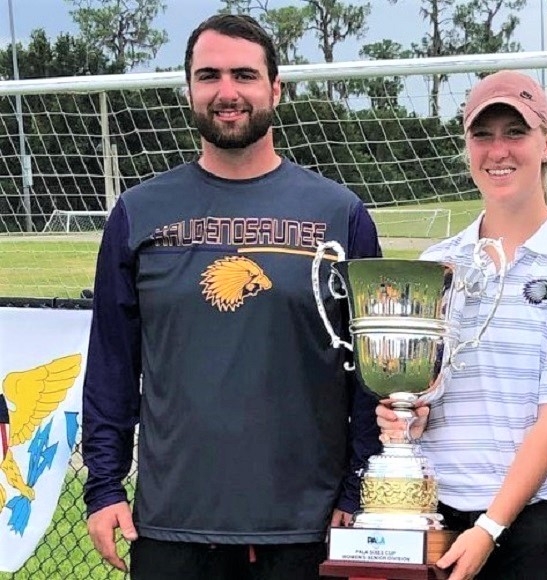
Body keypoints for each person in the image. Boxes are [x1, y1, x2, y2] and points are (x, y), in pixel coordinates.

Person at [81, 14, 381, 579]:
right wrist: (103, 487)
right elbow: (112, 366)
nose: (227, 92)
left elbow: (368, 369)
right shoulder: (137, 214)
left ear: (275, 89)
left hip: (309, 525)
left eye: (244, 75)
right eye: (209, 75)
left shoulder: (340, 215)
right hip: (172, 523)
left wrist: (358, 487)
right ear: (189, 89)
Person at [375, 70, 547, 580]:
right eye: (482, 134)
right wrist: (408, 419)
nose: (497, 149)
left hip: (538, 525)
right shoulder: (437, 262)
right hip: (438, 513)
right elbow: (430, 393)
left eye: (516, 132)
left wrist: (490, 527)